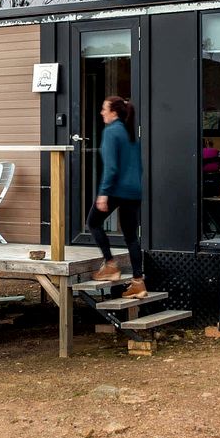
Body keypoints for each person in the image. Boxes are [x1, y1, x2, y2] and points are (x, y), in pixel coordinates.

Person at [89, 95, 146, 297]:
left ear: (114, 112)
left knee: (93, 223)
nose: (102, 112)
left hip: (116, 189)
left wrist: (103, 193)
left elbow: (111, 168)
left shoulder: (111, 132)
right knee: (131, 237)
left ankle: (110, 265)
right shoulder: (129, 132)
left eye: (104, 109)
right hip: (134, 191)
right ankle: (138, 283)